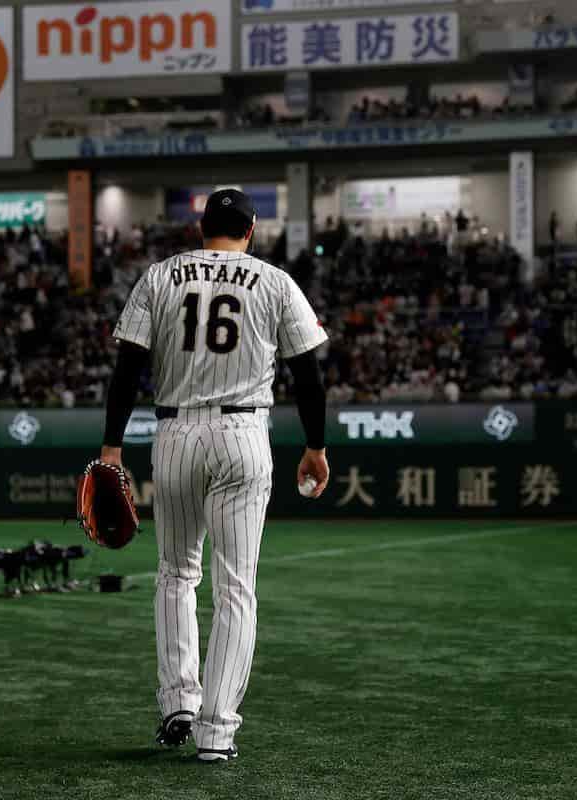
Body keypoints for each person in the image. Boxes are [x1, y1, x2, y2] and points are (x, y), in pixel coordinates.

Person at [99, 188, 330, 763]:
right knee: (236, 589)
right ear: (250, 230)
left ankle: (178, 700)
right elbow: (307, 373)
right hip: (242, 435)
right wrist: (316, 444)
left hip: (173, 435)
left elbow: (127, 366)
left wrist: (111, 447)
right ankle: (216, 731)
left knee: (175, 574)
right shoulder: (275, 281)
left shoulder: (160, 276)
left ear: (203, 229)